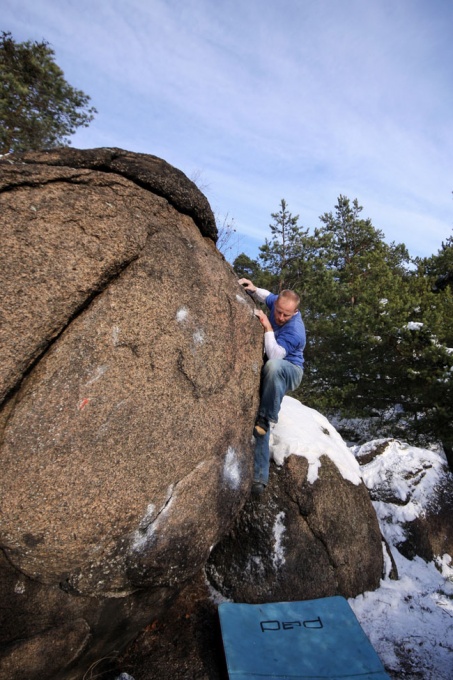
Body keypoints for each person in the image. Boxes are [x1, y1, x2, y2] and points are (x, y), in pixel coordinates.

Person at [238, 278, 306, 496]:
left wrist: (267, 325)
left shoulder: (295, 330)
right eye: (278, 312)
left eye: (286, 314)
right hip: (274, 369)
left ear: (294, 313)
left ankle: (267, 416)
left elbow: (275, 355)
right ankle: (259, 480)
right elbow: (268, 297)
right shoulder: (278, 303)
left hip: (290, 371)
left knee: (273, 368)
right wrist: (253, 289)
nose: (280, 317)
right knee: (262, 418)